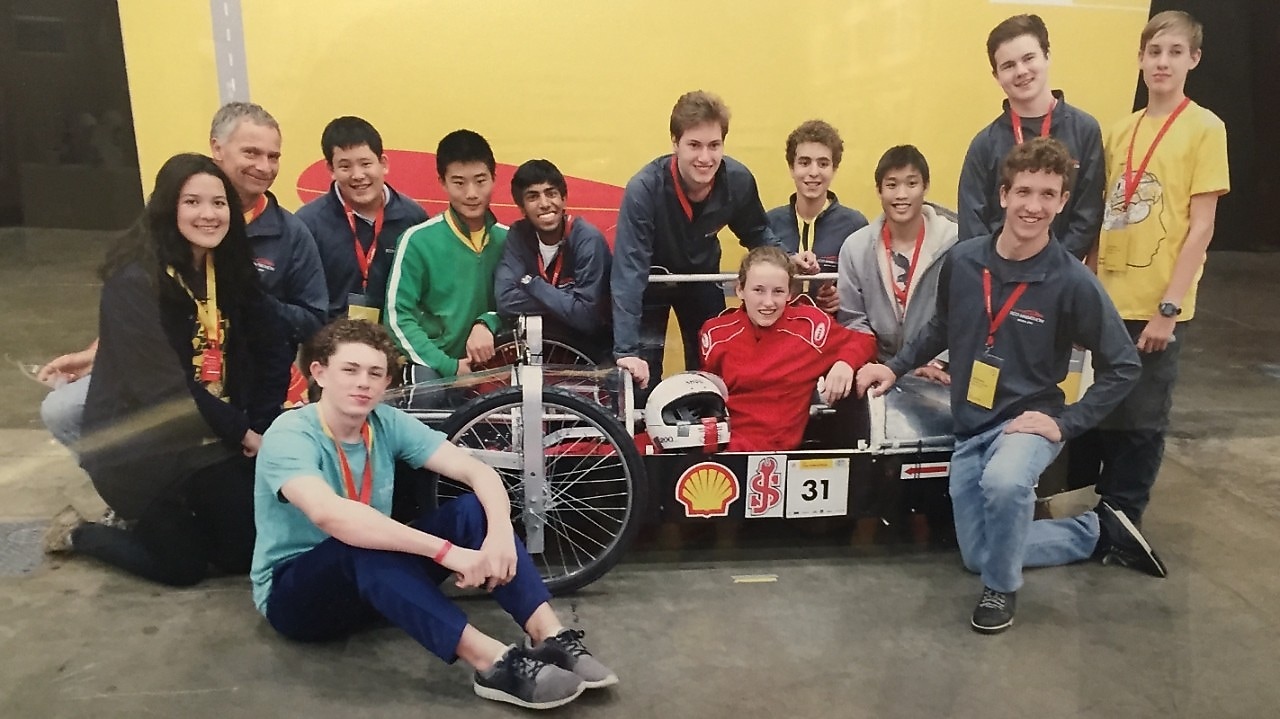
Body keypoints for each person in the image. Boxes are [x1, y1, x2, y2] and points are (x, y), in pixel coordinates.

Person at [856, 138, 1162, 635]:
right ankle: (1095, 531)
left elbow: (1124, 366)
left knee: (1005, 485)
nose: (1034, 206)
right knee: (976, 553)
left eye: (1048, 194)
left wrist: (1066, 424)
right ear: (1003, 195)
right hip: (971, 424)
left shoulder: (1072, 282)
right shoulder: (965, 260)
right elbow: (939, 326)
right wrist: (895, 367)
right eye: (1024, 191)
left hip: (1027, 422)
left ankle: (1002, 590)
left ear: (1063, 202)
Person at [251, 319, 617, 709]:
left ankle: (550, 636)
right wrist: (446, 553)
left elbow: (477, 472)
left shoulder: (384, 422)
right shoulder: (289, 434)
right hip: (297, 596)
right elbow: (330, 515)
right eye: (350, 370)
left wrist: (497, 534)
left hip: (375, 582)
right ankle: (493, 663)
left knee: (471, 509)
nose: (363, 383)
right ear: (319, 373)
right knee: (358, 542)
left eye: (375, 373)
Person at [42, 153, 292, 586]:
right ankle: (79, 532)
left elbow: (273, 344)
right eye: (192, 202)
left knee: (241, 554)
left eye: (218, 203)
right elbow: (164, 390)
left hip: (209, 435)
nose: (208, 215)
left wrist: (263, 422)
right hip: (142, 445)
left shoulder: (228, 268)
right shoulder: (134, 281)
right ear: (167, 207)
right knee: (183, 568)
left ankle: (183, 521)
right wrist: (243, 433)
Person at [1084, 10, 1230, 534]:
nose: (1161, 62)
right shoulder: (1122, 130)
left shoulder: (1205, 129)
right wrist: (1090, 292)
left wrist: (1169, 307)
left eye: (1173, 52)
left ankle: (1124, 518)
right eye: (1153, 52)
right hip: (1109, 299)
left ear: (1193, 59)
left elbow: (1201, 227)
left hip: (1157, 305)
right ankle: (1103, 509)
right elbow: (1104, 219)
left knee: (1143, 419)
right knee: (1108, 411)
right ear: (1141, 59)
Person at [611, 90, 799, 390]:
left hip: (701, 279)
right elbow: (628, 273)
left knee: (711, 376)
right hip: (649, 285)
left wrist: (788, 258)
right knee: (641, 380)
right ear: (675, 143)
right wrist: (626, 352)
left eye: (714, 145)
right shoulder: (643, 189)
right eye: (694, 145)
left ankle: (708, 433)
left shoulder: (738, 180)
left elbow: (757, 233)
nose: (705, 157)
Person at [700, 246, 877, 452]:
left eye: (778, 291)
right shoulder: (715, 333)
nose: (768, 302)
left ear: (789, 293)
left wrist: (845, 362)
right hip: (722, 455)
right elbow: (707, 400)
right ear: (740, 290)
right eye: (758, 290)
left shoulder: (810, 327)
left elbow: (865, 341)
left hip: (780, 456)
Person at [957, 13, 1104, 258]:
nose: (1021, 71)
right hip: (995, 277)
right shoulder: (984, 144)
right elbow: (972, 225)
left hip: (1059, 277)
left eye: (1028, 58)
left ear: (1047, 56)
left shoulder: (1085, 131)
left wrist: (1051, 267)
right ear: (996, 76)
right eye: (1008, 65)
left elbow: (1087, 215)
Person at [385, 130, 507, 380]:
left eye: (481, 181)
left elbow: (521, 308)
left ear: (494, 179)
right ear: (442, 182)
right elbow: (397, 317)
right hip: (433, 364)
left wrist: (488, 322)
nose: (472, 193)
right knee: (427, 395)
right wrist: (449, 366)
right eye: (459, 183)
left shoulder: (510, 240)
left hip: (497, 360)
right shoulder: (417, 240)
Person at [209, 101, 328, 348]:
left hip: (258, 379)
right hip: (178, 377)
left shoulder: (292, 233)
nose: (264, 167)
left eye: (273, 157)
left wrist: (256, 303)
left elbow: (314, 322)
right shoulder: (182, 217)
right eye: (251, 153)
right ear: (217, 148)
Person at [838, 145, 957, 382]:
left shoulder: (956, 243)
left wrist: (941, 359)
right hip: (876, 369)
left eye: (911, 184)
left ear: (925, 186)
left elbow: (967, 313)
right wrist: (875, 365)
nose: (901, 195)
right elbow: (852, 318)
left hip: (938, 370)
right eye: (892, 185)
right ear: (879, 190)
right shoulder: (855, 247)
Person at [295, 116, 428, 322]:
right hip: (329, 346)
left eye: (365, 164)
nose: (358, 175)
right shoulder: (308, 223)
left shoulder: (413, 217)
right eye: (345, 166)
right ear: (331, 169)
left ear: (383, 164)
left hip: (395, 344)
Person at [494, 159, 612, 361]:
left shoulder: (587, 239)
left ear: (564, 199)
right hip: (540, 347)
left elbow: (586, 316)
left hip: (593, 350)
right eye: (533, 197)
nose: (545, 204)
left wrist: (533, 283)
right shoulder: (518, 234)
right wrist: (566, 299)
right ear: (521, 207)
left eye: (551, 193)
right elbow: (505, 300)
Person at [766, 120, 868, 313]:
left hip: (832, 334)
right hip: (778, 334)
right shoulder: (769, 224)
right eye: (804, 163)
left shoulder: (855, 225)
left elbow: (868, 291)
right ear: (791, 168)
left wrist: (843, 300)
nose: (813, 172)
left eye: (823, 163)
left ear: (834, 169)